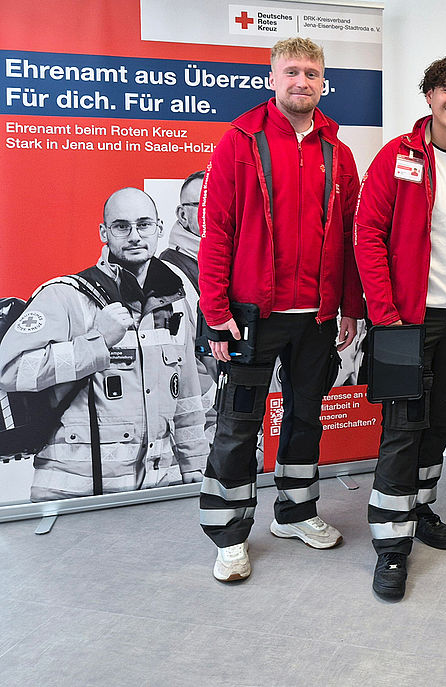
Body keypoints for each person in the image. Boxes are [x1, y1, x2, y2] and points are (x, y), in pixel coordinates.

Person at [198, 37, 363, 583]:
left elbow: (350, 236)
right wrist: (215, 310)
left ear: (323, 83)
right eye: (292, 72)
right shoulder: (239, 141)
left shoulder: (338, 151)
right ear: (272, 78)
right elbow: (216, 232)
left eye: (311, 73)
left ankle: (295, 513)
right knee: (239, 422)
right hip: (251, 315)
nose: (302, 82)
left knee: (305, 417)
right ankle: (229, 534)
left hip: (316, 316)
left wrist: (349, 306)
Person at [354, 56, 446, 601]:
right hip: (406, 318)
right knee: (403, 427)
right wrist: (384, 310)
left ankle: (418, 509)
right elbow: (368, 232)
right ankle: (391, 545)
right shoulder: (398, 156)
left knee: (441, 419)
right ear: (429, 96)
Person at [0, 187, 207, 502]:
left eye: (144, 225)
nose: (134, 236)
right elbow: (9, 369)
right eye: (122, 226)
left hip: (159, 490)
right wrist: (96, 342)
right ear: (104, 232)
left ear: (159, 228)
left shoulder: (175, 304)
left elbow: (188, 396)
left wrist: (194, 462)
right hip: (74, 495)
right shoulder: (66, 295)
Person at [160, 171, 218, 445]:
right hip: (211, 426)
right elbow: (182, 362)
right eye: (203, 204)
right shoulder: (168, 275)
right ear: (182, 215)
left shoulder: (238, 264)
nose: (215, 211)